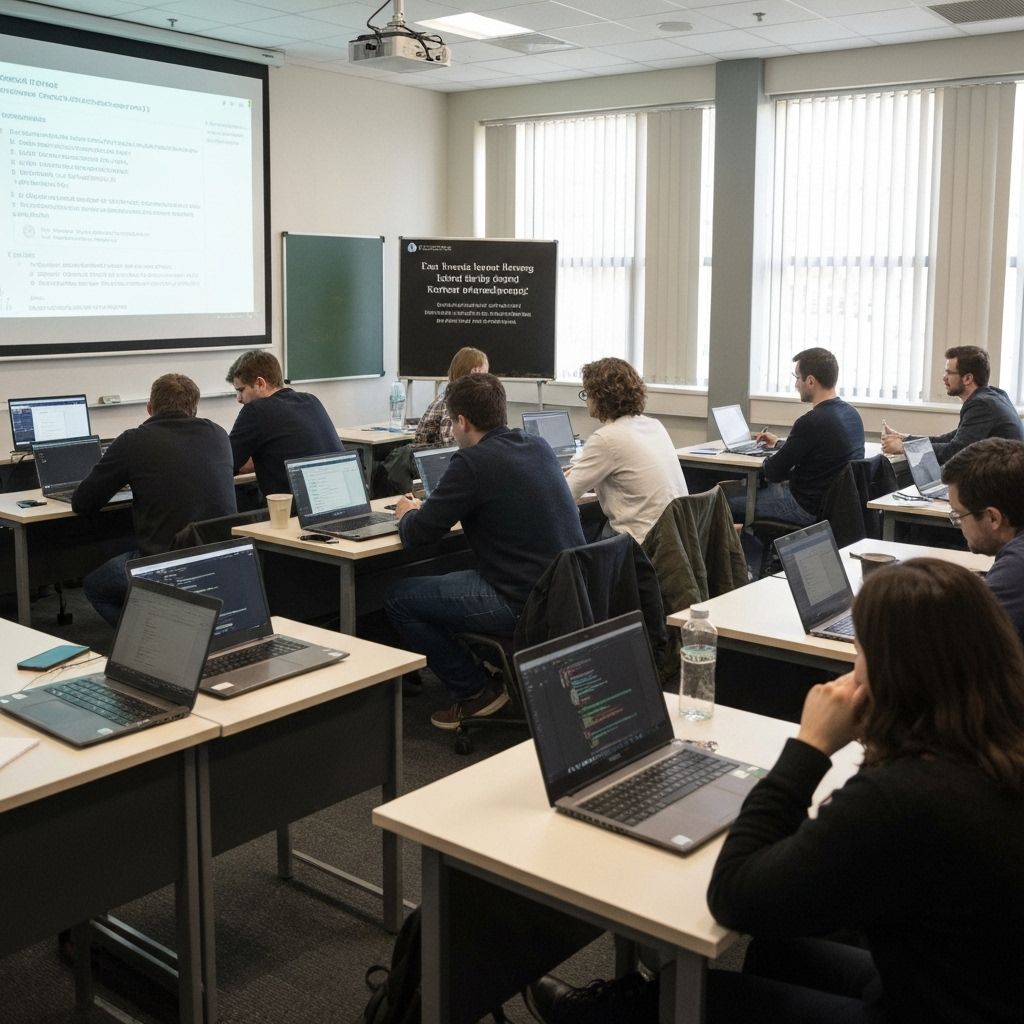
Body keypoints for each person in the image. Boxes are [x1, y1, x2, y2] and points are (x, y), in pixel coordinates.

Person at [526, 558, 1024, 1023]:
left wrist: (809, 746)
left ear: (898, 675)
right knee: (775, 945)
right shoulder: (992, 745)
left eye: (860, 657)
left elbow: (733, 896)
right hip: (972, 986)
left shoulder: (906, 796)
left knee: (696, 996)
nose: (853, 674)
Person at [384, 372, 585, 730]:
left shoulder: (471, 462)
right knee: (448, 577)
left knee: (398, 597)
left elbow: (419, 536)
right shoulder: (535, 445)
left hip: (518, 599)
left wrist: (408, 511)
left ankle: (475, 691)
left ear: (461, 421)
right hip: (562, 592)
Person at [73, 373, 236, 626]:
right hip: (222, 561)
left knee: (96, 587)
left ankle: (150, 641)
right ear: (194, 408)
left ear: (149, 408)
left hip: (164, 564)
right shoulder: (218, 434)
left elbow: (83, 503)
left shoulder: (133, 441)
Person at [734, 347, 864, 528]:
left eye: (797, 378)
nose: (796, 385)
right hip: (835, 508)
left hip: (802, 507)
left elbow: (773, 472)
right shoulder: (852, 415)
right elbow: (822, 451)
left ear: (810, 381)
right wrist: (781, 444)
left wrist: (767, 457)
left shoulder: (810, 422)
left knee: (724, 503)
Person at [565, 357, 688, 544]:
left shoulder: (606, 439)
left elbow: (564, 494)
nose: (587, 400)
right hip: (674, 542)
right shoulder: (654, 426)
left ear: (600, 396)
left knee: (574, 533)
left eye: (587, 394)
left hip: (639, 545)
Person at [226, 349, 342, 496]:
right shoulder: (311, 400)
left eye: (240, 390)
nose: (239, 398)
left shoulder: (256, 411)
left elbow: (227, 463)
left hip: (294, 510)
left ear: (260, 384)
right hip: (339, 498)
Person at [941, 437, 1024, 643]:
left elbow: (957, 647)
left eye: (959, 514)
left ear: (993, 518)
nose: (958, 524)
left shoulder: (1017, 567)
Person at [881, 345, 1022, 463]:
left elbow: (955, 452)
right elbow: (950, 439)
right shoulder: (995, 395)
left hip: (1005, 487)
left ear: (967, 378)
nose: (944, 378)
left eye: (949, 373)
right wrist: (905, 439)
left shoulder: (982, 405)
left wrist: (905, 448)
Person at [413, 346, 489, 447]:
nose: (487, 380)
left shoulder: (456, 396)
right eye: (485, 374)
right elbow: (451, 443)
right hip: (431, 459)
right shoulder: (452, 400)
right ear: (475, 371)